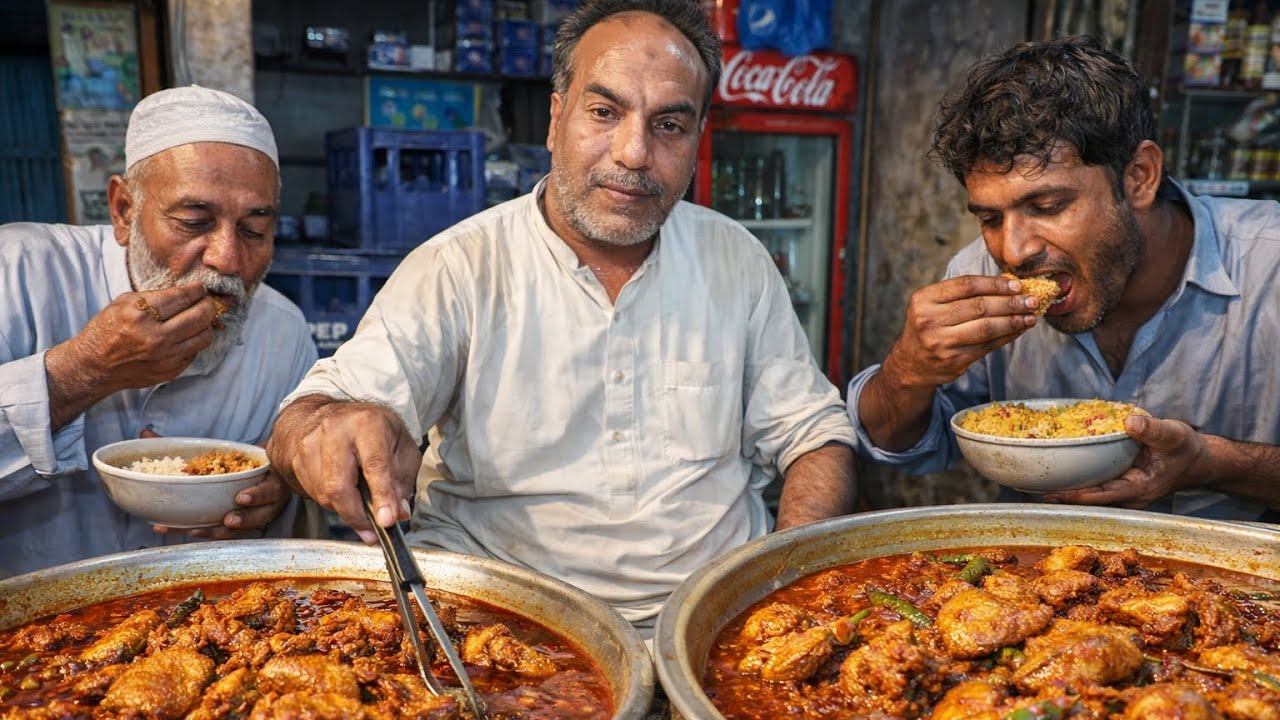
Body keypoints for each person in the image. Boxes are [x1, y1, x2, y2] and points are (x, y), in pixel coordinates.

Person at [267, 0, 855, 635]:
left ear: (697, 138)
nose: (633, 153)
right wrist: (330, 431)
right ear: (556, 118)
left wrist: (781, 579)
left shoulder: (736, 258)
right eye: (604, 112)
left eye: (669, 126)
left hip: (711, 622)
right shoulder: (459, 266)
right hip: (505, 623)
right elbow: (311, 416)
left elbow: (815, 434)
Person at [848, 35, 1280, 521]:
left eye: (1048, 207)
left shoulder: (1269, 269)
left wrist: (1212, 463)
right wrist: (908, 370)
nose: (1013, 250)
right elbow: (899, 446)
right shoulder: (977, 275)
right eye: (989, 218)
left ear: (1139, 176)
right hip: (1031, 580)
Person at [0, 85, 319, 578]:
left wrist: (270, 502)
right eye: (194, 222)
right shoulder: (17, 272)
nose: (227, 260)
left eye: (254, 230)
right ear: (124, 211)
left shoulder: (282, 331)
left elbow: (287, 503)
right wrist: (85, 370)